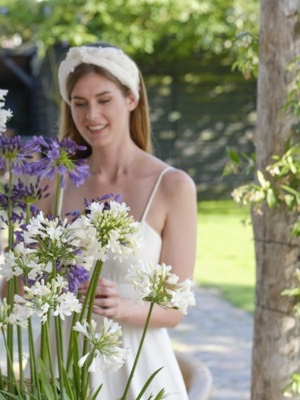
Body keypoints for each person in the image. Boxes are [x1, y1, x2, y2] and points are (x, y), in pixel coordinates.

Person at [36, 42, 197, 399]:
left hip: (135, 369)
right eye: (79, 103)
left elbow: (175, 308)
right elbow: (11, 291)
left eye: (104, 99)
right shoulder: (52, 182)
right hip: (58, 364)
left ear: (131, 99)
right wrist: (22, 247)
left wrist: (121, 306)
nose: (91, 115)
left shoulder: (172, 186)